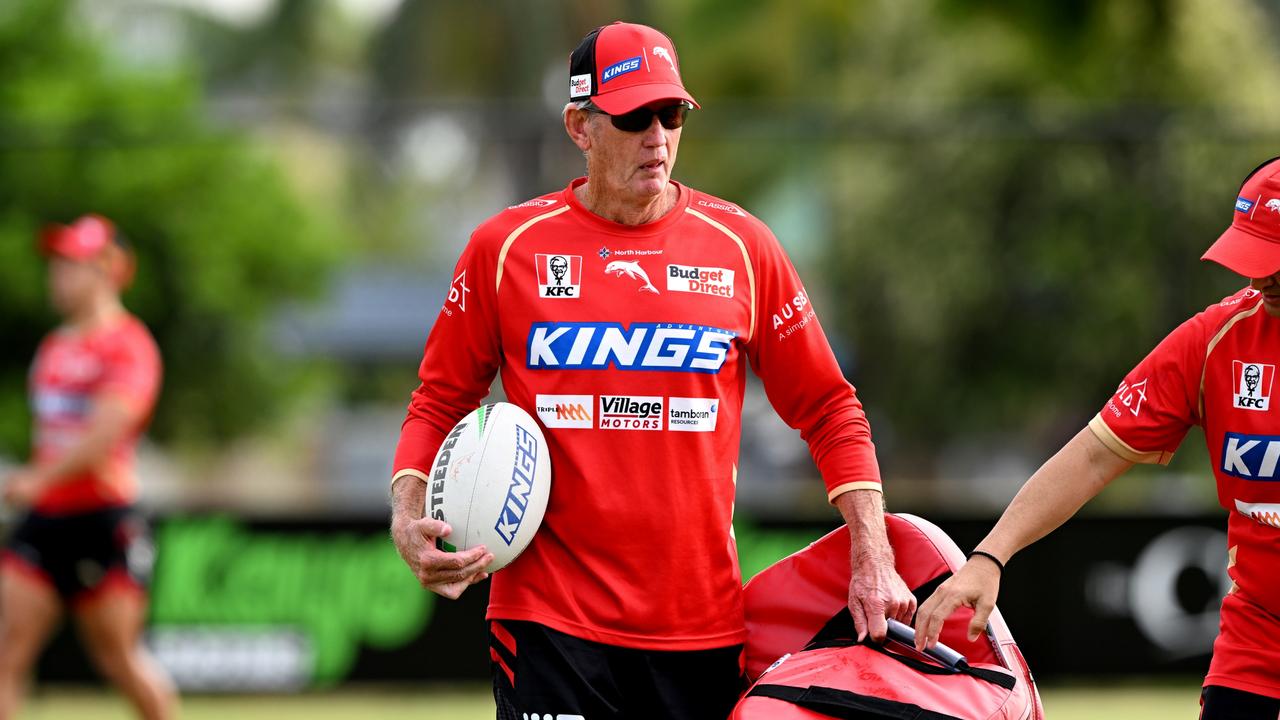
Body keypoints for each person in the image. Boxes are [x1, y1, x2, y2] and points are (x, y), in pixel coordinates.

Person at [389, 20, 914, 719]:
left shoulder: (744, 248)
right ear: (580, 126)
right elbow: (439, 399)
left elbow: (829, 408)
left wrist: (871, 552)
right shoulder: (504, 249)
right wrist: (405, 513)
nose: (658, 136)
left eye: (671, 115)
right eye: (634, 116)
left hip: (699, 629)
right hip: (549, 624)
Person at [914, 156, 1280, 719]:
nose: (1259, 278)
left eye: (1275, 260)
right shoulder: (1214, 342)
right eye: (1252, 258)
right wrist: (990, 555)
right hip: (1258, 638)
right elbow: (1091, 455)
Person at [0, 215, 175, 720]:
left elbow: (107, 432)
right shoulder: (54, 347)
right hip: (44, 521)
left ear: (110, 270)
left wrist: (37, 479)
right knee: (9, 651)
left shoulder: (130, 345)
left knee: (116, 658)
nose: (57, 276)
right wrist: (37, 484)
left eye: (71, 265)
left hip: (103, 519)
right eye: (56, 265)